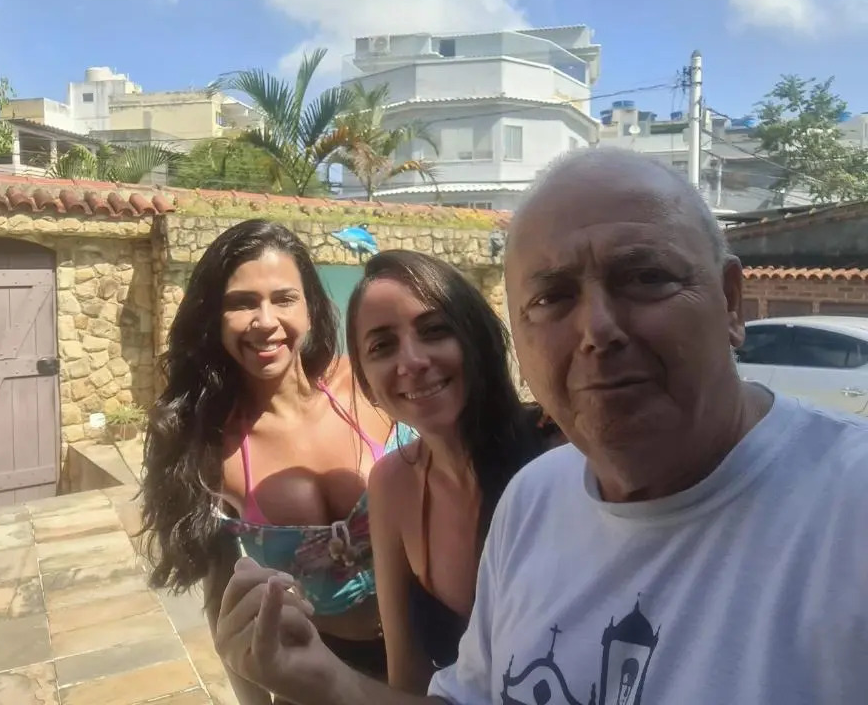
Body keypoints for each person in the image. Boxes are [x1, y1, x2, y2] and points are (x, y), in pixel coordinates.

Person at [210, 148, 868, 705]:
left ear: (730, 301)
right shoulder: (535, 499)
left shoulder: (846, 515)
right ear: (522, 337)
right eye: (553, 297)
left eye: (645, 277)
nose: (598, 329)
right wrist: (322, 679)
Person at [141, 219, 407, 704]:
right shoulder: (212, 446)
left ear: (310, 307)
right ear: (214, 317)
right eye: (242, 303)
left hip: (429, 649)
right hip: (315, 670)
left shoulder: (367, 384)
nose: (265, 321)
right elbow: (226, 600)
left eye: (284, 298)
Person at [348, 250, 561, 692]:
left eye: (435, 331)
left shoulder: (560, 450)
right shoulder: (391, 485)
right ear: (366, 385)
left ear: (477, 338)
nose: (412, 361)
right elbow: (406, 674)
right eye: (382, 346)